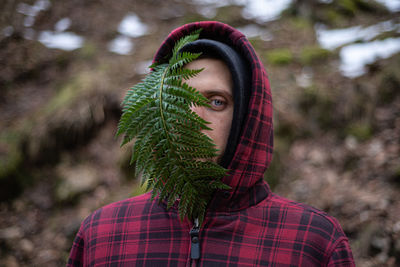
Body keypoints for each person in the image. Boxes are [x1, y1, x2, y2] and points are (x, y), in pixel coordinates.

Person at [67, 21, 355, 266]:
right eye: (178, 98)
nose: (190, 117)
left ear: (247, 118)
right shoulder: (102, 236)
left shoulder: (312, 243)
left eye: (216, 101)